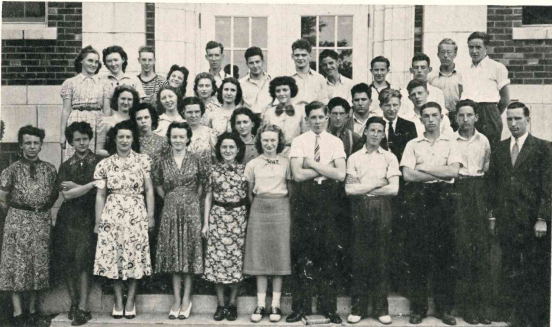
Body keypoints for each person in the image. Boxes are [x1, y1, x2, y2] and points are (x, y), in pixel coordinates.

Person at [487, 102, 551, 327]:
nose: (513, 124)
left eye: (518, 119)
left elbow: (548, 186)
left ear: (528, 119)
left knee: (535, 269)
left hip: (534, 222)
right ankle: (515, 316)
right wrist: (493, 217)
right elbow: (493, 185)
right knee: (511, 268)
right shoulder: (499, 148)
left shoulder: (544, 148)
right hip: (507, 220)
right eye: (509, 120)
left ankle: (537, 318)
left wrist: (542, 218)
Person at [400, 102, 464, 325]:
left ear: (441, 118)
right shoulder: (413, 144)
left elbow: (453, 172)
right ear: (421, 119)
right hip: (419, 199)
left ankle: (444, 309)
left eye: (434, 115)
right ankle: (418, 308)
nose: (430, 120)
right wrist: (438, 173)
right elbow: (408, 176)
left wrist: (423, 170)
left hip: (445, 200)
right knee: (418, 255)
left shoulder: (451, 143)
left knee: (445, 255)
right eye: (426, 116)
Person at [286, 101, 346, 324]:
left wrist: (310, 163)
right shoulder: (299, 141)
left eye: (321, 117)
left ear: (327, 117)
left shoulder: (336, 142)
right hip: (305, 198)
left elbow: (340, 175)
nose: (318, 121)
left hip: (329, 198)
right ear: (307, 119)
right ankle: (300, 308)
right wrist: (324, 168)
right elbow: (298, 175)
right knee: (302, 253)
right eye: (313, 118)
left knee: (328, 253)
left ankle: (328, 308)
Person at [93, 120, 155, 320]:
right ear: (114, 139)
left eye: (128, 137)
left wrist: (151, 216)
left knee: (134, 256)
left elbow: (149, 190)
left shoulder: (143, 160)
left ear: (133, 139)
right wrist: (98, 222)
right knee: (115, 259)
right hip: (112, 214)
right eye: (121, 136)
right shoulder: (105, 164)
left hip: (136, 213)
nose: (125, 140)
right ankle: (119, 300)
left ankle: (131, 301)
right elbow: (101, 195)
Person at [0, 125, 58, 327]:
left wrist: (40, 211)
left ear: (41, 145)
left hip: (40, 222)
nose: (32, 147)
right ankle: (18, 314)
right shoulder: (12, 169)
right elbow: (3, 198)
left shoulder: (50, 169)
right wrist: (17, 214)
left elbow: (53, 196)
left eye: (36, 143)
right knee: (16, 266)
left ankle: (33, 311)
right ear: (21, 145)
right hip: (17, 222)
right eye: (28, 143)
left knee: (37, 267)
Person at [345, 116, 400, 325]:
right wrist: (378, 182)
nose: (375, 134)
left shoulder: (389, 158)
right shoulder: (354, 158)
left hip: (382, 208)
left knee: (381, 258)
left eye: (379, 131)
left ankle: (380, 308)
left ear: (383, 134)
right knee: (360, 257)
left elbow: (393, 189)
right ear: (365, 131)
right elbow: (350, 189)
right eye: (372, 130)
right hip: (360, 208)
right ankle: (358, 308)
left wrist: (365, 186)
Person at [153, 122, 206, 320]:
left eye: (181, 137)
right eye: (174, 137)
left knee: (189, 254)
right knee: (175, 254)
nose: (178, 140)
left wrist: (191, 199)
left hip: (191, 209)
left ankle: (186, 299)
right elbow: (157, 183)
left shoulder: (197, 159)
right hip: (170, 208)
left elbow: (203, 183)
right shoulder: (162, 161)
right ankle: (176, 300)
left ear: (187, 138)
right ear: (169, 138)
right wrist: (171, 197)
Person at [51, 122, 101, 326]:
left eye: (85, 139)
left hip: (89, 217)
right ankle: (73, 304)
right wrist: (87, 187)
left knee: (83, 262)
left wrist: (78, 187)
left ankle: (83, 307)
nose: (81, 143)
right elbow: (66, 194)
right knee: (69, 261)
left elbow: (101, 191)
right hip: (68, 219)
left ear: (90, 139)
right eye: (77, 140)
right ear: (71, 142)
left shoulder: (99, 162)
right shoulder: (66, 165)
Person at [244, 124, 292, 323]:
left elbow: (290, 189)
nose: (269, 144)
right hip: (259, 209)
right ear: (259, 142)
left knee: (279, 256)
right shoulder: (253, 164)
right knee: (260, 257)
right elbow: (249, 192)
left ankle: (276, 305)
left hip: (281, 208)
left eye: (273, 140)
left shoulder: (286, 163)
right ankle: (261, 303)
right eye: (265, 140)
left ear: (279, 141)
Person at [451, 99, 492, 325]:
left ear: (476, 117)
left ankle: (482, 306)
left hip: (478, 189)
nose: (465, 119)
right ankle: (467, 308)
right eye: (461, 115)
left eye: (469, 115)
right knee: (462, 248)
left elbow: (486, 167)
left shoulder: (484, 140)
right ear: (456, 118)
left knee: (481, 249)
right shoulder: (451, 141)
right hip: (458, 190)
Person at [202, 132, 248, 322]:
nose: (228, 151)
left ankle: (233, 304)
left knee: (237, 262)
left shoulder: (245, 169)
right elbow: (208, 197)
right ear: (219, 150)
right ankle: (221, 305)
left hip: (239, 218)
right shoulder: (212, 170)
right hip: (218, 217)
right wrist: (206, 223)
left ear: (238, 150)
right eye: (224, 147)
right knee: (218, 262)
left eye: (231, 147)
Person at [378, 88, 417, 293]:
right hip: (380, 185)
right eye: (387, 105)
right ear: (381, 106)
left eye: (395, 105)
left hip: (403, 188)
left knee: (400, 234)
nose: (391, 109)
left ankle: (400, 282)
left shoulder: (408, 126)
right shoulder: (375, 126)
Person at [60, 45, 111, 160]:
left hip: (97, 123)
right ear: (81, 61)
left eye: (96, 62)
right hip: (75, 120)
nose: (93, 64)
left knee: (94, 158)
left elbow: (107, 110)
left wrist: (107, 133)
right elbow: (66, 110)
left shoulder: (104, 84)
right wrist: (62, 135)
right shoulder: (70, 83)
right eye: (90, 60)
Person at [462, 32, 510, 149]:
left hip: (489, 112)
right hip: (469, 111)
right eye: (471, 47)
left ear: (486, 48)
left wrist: (493, 114)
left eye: (478, 47)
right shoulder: (464, 69)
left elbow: (505, 99)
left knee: (490, 149)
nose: (474, 51)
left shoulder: (497, 67)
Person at [263, 76, 309, 157]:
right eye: (278, 91)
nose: (281, 94)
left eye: (285, 90)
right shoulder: (268, 113)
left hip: (296, 153)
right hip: (274, 153)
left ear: (291, 91)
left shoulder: (301, 112)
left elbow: (305, 136)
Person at [399, 53, 446, 120]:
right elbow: (400, 116)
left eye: (423, 67)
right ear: (411, 70)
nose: (419, 71)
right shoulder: (403, 93)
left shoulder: (438, 93)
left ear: (429, 69)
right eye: (416, 68)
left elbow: (442, 117)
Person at [428, 38, 463, 131]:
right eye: (442, 52)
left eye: (449, 52)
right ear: (438, 54)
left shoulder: (461, 76)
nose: (445, 56)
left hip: (457, 115)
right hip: (438, 116)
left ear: (455, 54)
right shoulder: (431, 77)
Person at [96, 85, 139, 157]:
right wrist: (120, 155)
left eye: (129, 99)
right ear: (116, 100)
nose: (126, 102)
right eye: (123, 99)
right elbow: (98, 151)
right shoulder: (106, 122)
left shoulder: (136, 122)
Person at [290, 39, 329, 107]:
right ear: (292, 56)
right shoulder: (286, 79)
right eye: (297, 55)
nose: (300, 58)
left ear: (310, 56)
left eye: (304, 55)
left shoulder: (319, 79)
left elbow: (324, 104)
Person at [182, 96, 218, 167]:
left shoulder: (210, 133)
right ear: (183, 112)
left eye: (197, 112)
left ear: (201, 112)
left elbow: (215, 159)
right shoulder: (177, 132)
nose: (193, 115)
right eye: (189, 112)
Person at [240, 46, 274, 116]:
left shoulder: (272, 82)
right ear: (247, 64)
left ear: (263, 62)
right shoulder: (241, 84)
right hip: (249, 122)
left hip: (268, 122)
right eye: (251, 63)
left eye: (257, 62)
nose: (255, 66)